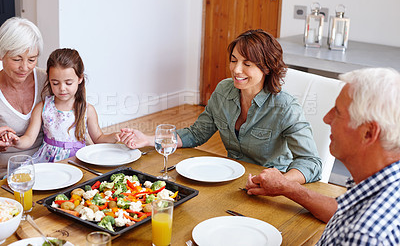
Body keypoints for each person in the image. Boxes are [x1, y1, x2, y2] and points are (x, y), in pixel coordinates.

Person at [120, 29, 322, 184]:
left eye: (247, 64)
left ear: (267, 67)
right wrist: (148, 140)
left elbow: (311, 163)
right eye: (233, 61)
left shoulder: (285, 107)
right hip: (230, 179)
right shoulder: (224, 91)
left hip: (269, 188)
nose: (236, 69)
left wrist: (281, 182)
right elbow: (197, 133)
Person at [246, 67, 400, 245]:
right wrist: (285, 186)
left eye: (338, 112)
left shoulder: (365, 235)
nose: (326, 118)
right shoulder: (378, 185)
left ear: (368, 133)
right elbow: (341, 211)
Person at [2, 48, 134, 162]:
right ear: (48, 79)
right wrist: (17, 141)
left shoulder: (87, 110)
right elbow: (29, 139)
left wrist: (115, 136)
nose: (62, 88)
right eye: (55, 83)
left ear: (80, 79)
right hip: (49, 162)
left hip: (79, 159)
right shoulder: (42, 107)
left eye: (68, 83)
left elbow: (99, 138)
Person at [0, 17, 46, 178]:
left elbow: (76, 118)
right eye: (16, 59)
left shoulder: (48, 81)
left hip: (48, 167)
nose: (24, 67)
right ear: (1, 55)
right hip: (7, 173)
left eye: (32, 60)